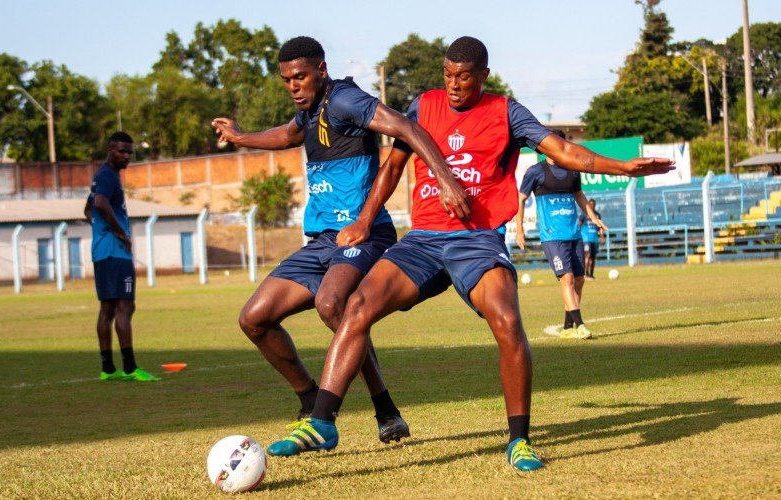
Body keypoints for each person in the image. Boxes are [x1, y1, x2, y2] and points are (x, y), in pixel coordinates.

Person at [268, 36, 674, 471]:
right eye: (447, 75)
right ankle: (322, 422)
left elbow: (563, 150)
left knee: (507, 320)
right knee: (357, 306)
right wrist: (365, 220)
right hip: (423, 239)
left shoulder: (507, 112)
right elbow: (392, 168)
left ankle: (519, 441)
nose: (454, 85)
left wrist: (623, 166)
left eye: (463, 77)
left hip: (477, 240)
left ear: (483, 75)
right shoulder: (424, 106)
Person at [211, 36, 470, 449]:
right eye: (286, 80)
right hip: (322, 240)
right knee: (254, 318)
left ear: (321, 70)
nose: (293, 86)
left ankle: (381, 408)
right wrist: (242, 138)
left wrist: (444, 179)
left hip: (365, 234)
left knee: (332, 304)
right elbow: (286, 136)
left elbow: (407, 127)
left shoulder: (346, 99)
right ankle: (309, 397)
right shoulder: (310, 110)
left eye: (300, 77)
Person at [516, 130, 608, 340]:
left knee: (579, 280)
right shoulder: (535, 172)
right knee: (566, 279)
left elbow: (579, 195)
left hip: (574, 234)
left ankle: (567, 326)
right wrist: (519, 230)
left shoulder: (573, 171)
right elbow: (520, 199)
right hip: (552, 237)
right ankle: (580, 324)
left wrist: (593, 217)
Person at [83, 131, 160, 382]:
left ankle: (108, 369)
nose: (126, 156)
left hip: (102, 250)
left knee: (108, 308)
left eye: (129, 152)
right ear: (110, 150)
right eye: (121, 151)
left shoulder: (104, 176)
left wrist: (101, 230)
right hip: (115, 252)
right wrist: (120, 233)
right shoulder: (107, 176)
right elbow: (101, 203)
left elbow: (88, 208)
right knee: (125, 306)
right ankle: (130, 368)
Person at [579, 198, 606, 280]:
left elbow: (599, 227)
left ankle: (591, 275)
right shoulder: (584, 214)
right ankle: (585, 274)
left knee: (593, 257)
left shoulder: (597, 215)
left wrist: (602, 236)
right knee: (588, 255)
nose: (592, 206)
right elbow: (579, 225)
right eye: (590, 204)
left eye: (593, 205)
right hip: (585, 238)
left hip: (594, 239)